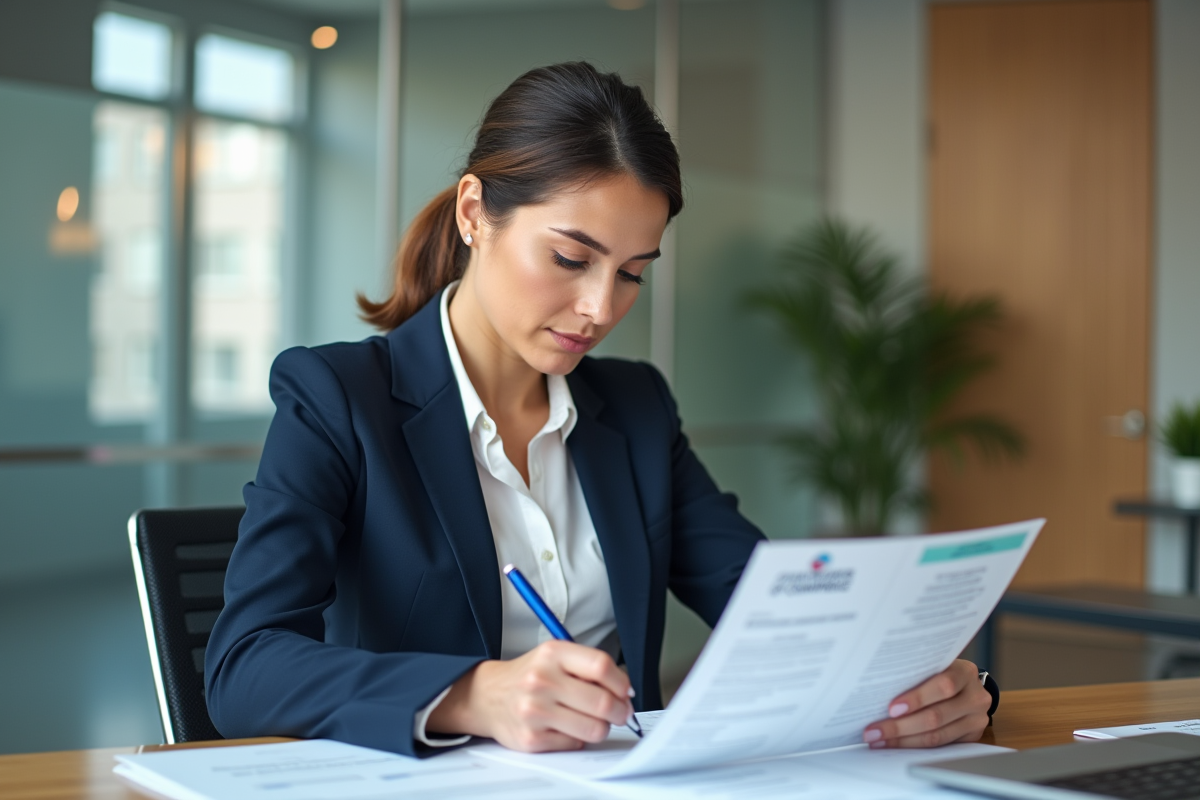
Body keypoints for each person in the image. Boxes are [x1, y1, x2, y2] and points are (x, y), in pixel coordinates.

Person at [205, 62, 997, 758]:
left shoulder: (635, 408)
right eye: (570, 258)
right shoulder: (338, 397)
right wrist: (475, 695)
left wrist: (935, 687)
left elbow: (773, 608)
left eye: (632, 274)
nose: (598, 307)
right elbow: (245, 665)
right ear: (475, 213)